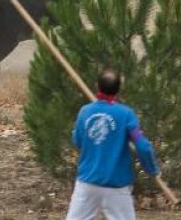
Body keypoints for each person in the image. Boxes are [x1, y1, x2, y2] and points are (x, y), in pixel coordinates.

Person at [65, 70, 161, 220]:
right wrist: (152, 169)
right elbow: (142, 145)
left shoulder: (85, 112)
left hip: (88, 182)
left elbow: (77, 141)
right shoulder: (126, 114)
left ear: (97, 86)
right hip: (116, 184)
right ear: (119, 89)